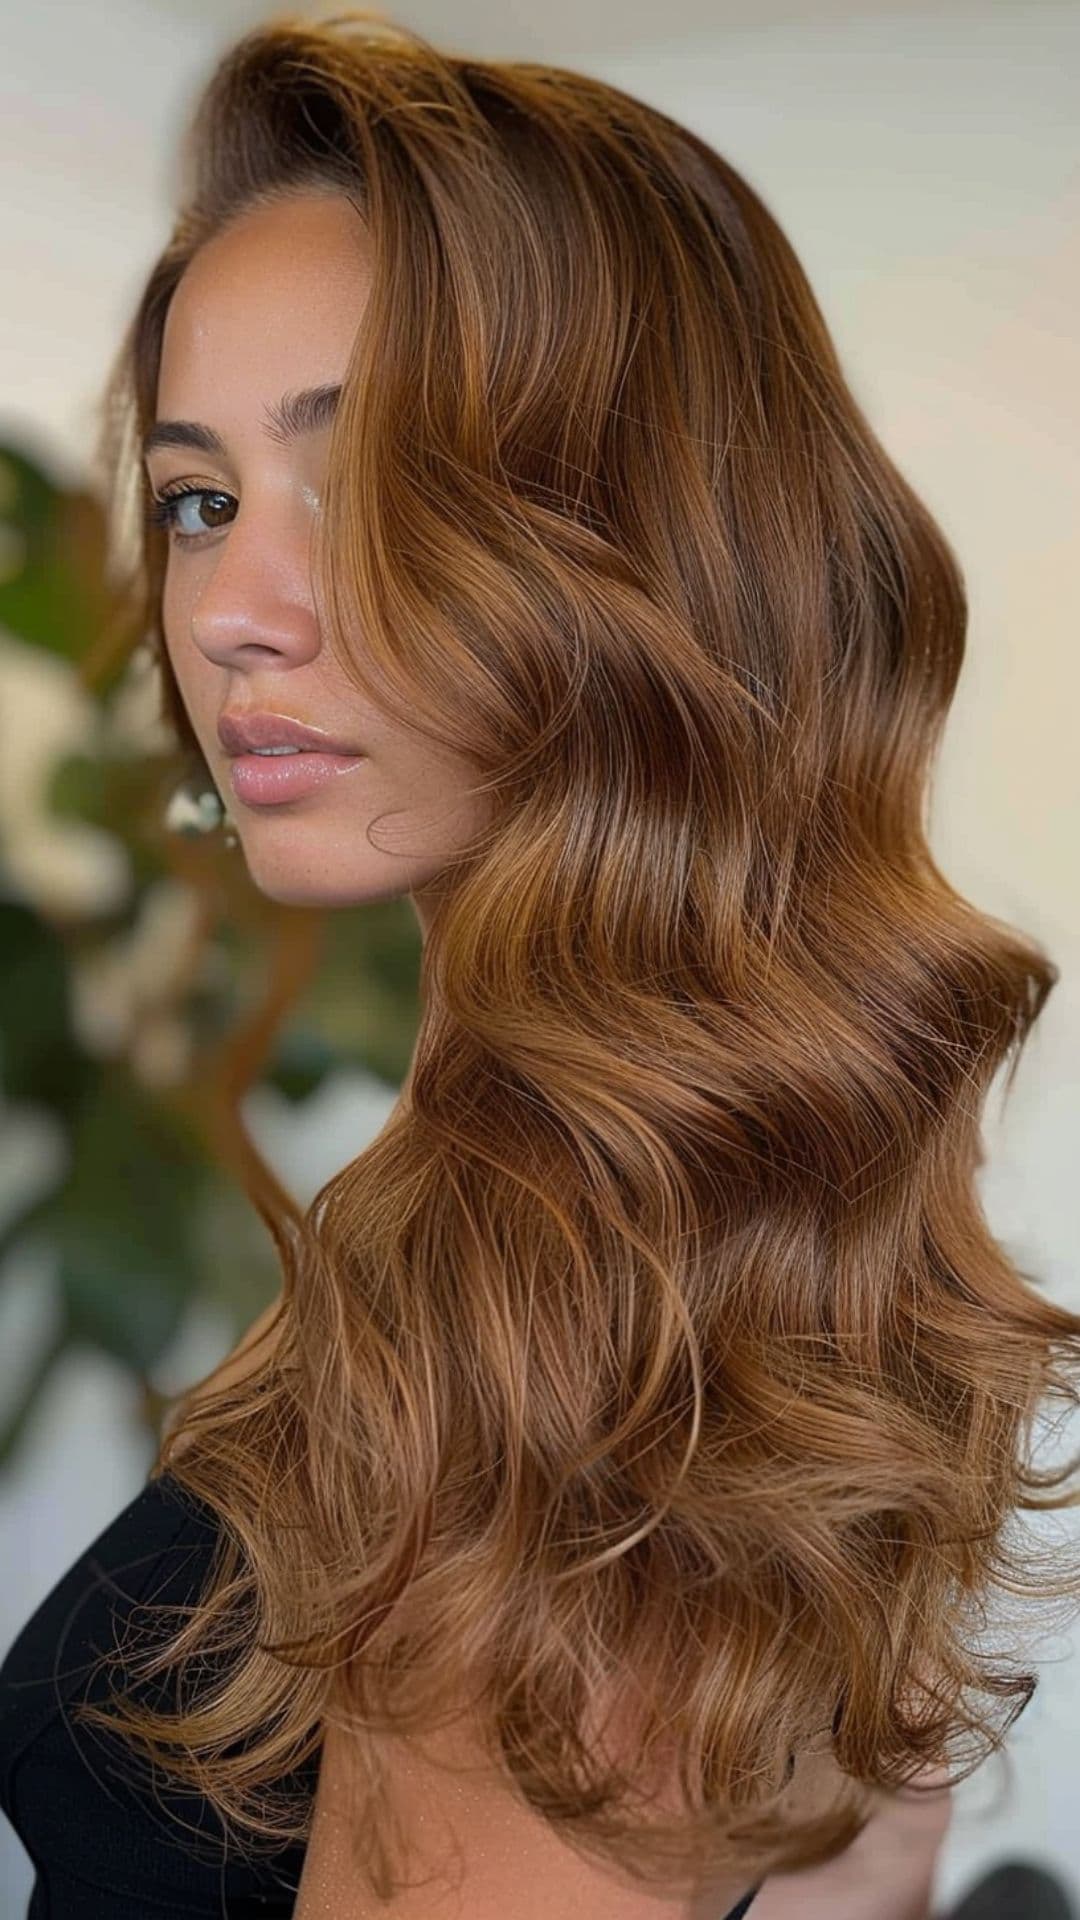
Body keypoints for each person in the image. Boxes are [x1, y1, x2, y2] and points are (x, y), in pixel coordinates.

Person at [3, 10, 1079, 1917]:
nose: (232, 612)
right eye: (198, 498)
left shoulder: (559, 1316)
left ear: (644, 537)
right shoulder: (762, 1181)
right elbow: (858, 1877)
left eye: (376, 476)